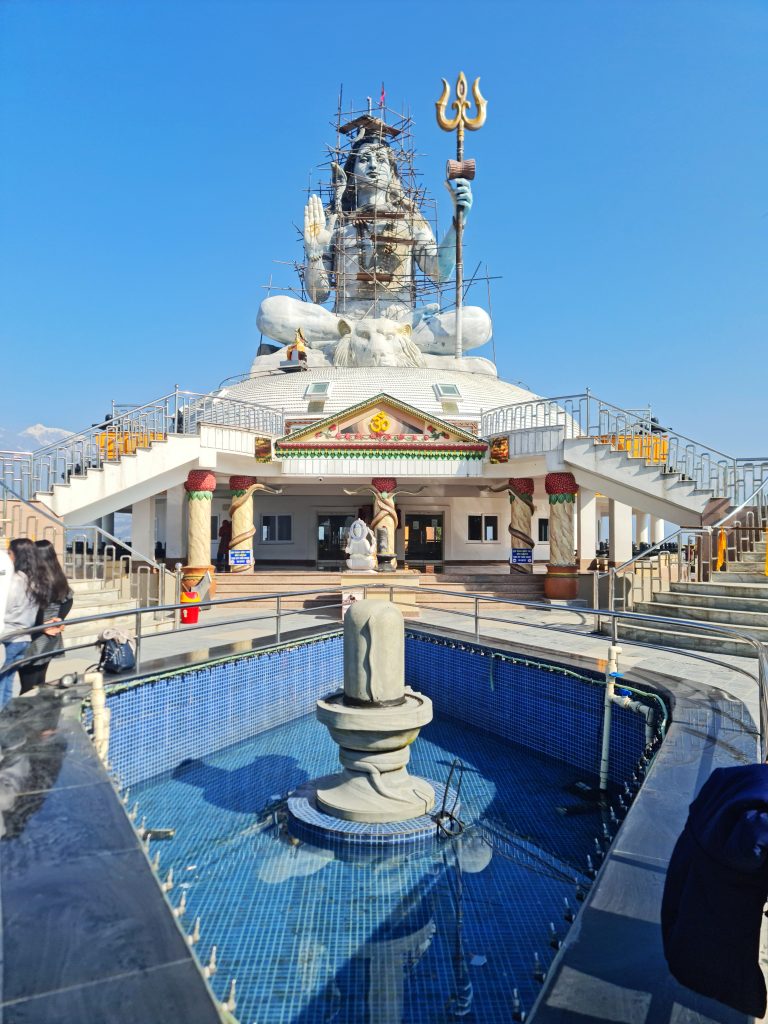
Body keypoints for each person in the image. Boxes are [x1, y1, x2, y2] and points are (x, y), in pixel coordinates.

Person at [256, 128, 492, 359]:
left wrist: (457, 223)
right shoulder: (338, 222)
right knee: (270, 311)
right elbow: (318, 295)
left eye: (381, 160)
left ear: (393, 173)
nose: (372, 165)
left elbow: (439, 272)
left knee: (478, 322)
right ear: (351, 172)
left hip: (402, 325)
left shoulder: (410, 219)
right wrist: (315, 254)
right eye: (364, 159)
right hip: (346, 324)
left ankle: (358, 345)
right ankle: (360, 341)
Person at [18, 540, 74, 694]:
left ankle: (27, 716)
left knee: (27, 685)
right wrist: (59, 619)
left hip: (35, 636)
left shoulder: (34, 579)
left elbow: (38, 606)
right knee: (40, 680)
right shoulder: (58, 577)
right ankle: (38, 714)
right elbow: (69, 599)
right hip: (51, 636)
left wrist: (43, 626)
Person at [0, 538, 48, 707]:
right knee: (7, 684)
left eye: (9, 553)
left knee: (2, 684)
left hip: (8, 637)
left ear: (17, 556)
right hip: (24, 638)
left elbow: (4, 607)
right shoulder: (35, 581)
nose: (7, 557)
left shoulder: (14, 582)